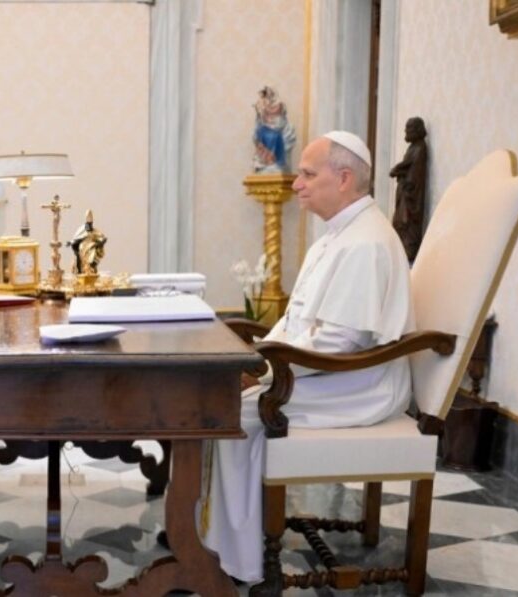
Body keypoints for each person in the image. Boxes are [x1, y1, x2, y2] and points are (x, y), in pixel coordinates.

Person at [198, 131, 414, 584]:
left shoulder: (365, 242)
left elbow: (340, 341)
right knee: (223, 399)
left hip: (361, 385)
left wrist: (263, 373)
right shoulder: (336, 236)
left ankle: (232, 561)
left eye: (308, 174)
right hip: (327, 376)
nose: (296, 183)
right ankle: (207, 536)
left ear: (344, 178)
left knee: (233, 413)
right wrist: (255, 363)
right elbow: (295, 323)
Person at [389, 116, 429, 262]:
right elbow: (407, 164)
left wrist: (398, 172)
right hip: (405, 194)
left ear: (417, 130)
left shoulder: (420, 148)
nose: (406, 131)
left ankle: (409, 251)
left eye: (409, 129)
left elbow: (413, 172)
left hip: (410, 195)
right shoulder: (413, 147)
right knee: (400, 223)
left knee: (407, 224)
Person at [252, 86, 297, 174]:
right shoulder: (260, 129)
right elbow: (258, 142)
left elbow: (286, 146)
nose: (271, 117)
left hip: (280, 165)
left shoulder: (288, 129)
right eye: (268, 114)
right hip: (264, 166)